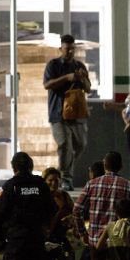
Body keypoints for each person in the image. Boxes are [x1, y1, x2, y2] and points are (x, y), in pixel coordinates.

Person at [43, 34, 91, 191]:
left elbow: (88, 88)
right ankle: (65, 178)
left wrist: (82, 79)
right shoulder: (53, 65)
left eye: (72, 48)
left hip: (77, 114)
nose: (69, 51)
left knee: (81, 145)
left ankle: (62, 170)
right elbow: (47, 85)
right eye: (66, 49)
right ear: (60, 49)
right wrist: (66, 78)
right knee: (64, 144)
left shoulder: (80, 65)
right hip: (58, 113)